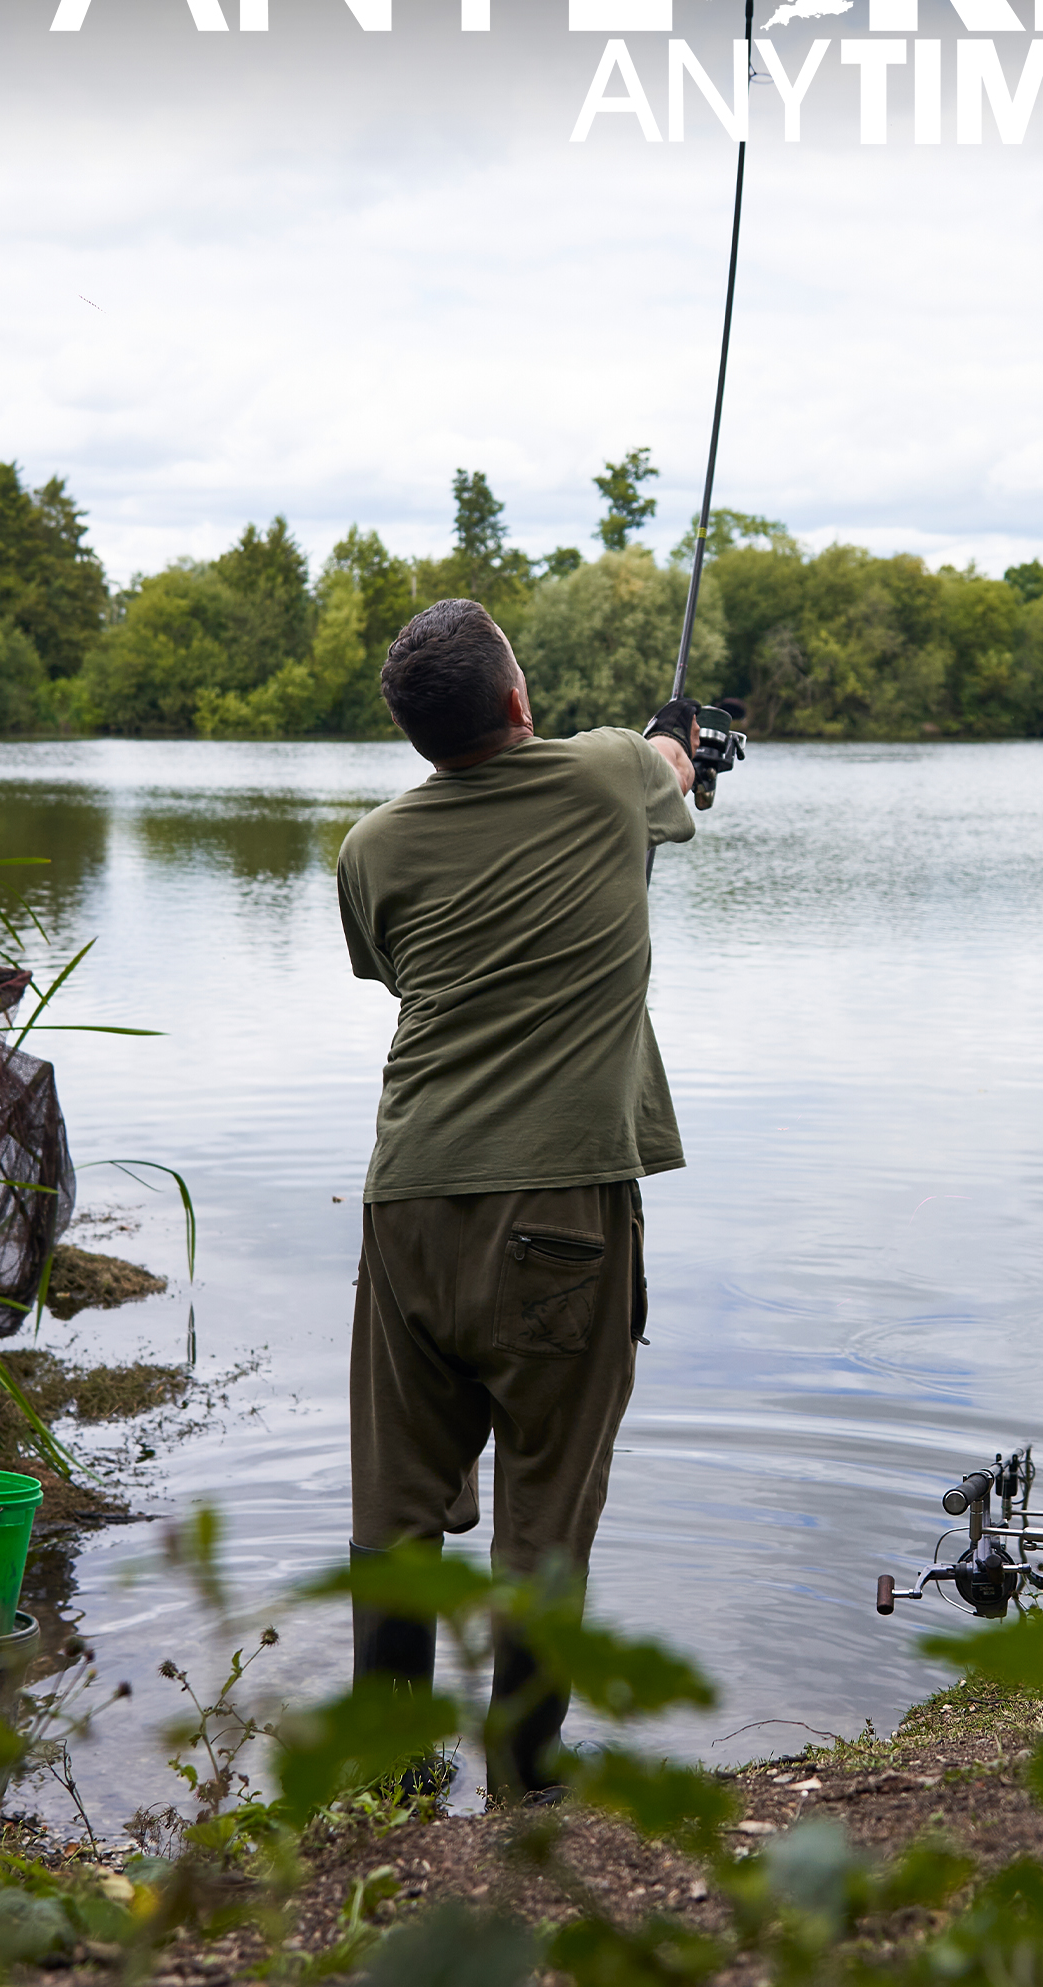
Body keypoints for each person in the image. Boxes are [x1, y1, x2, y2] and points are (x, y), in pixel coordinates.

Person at [335, 596, 699, 1797]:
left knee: (394, 1511)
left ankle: (386, 1786)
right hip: (561, 1217)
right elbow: (669, 776)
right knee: (544, 1512)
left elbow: (398, 968)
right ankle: (524, 1780)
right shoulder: (605, 780)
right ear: (518, 701)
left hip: (409, 1206)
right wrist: (688, 745)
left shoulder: (370, 848)